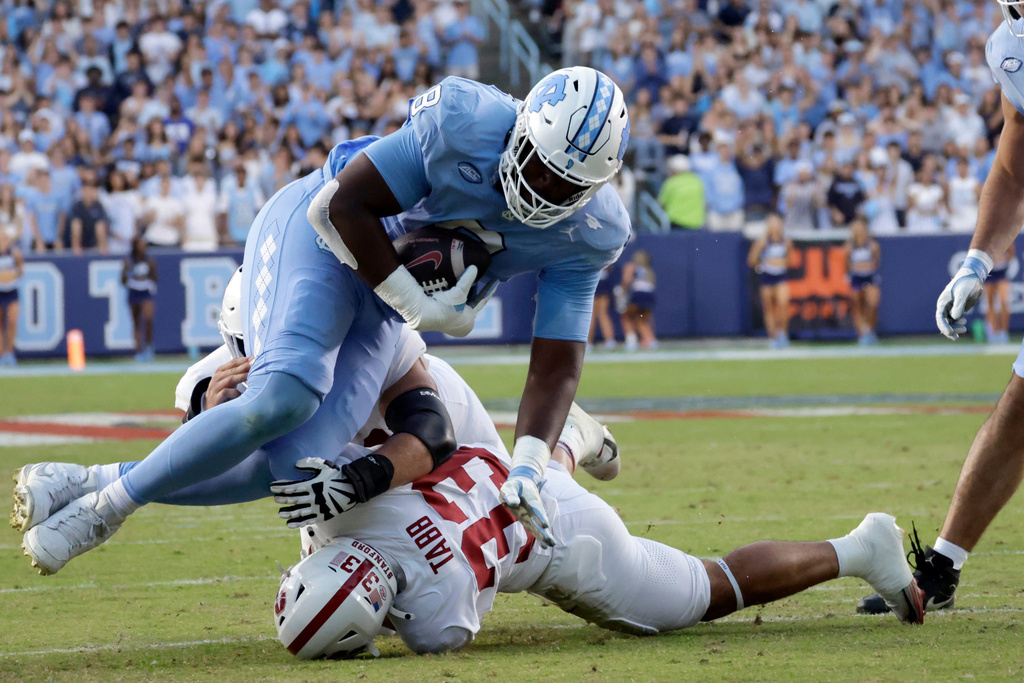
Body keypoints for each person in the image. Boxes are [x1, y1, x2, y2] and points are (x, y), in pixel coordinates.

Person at [19, 67, 631, 575]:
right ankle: (104, 509)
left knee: (299, 472)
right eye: (538, 163)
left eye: (567, 185)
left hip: (380, 307)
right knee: (283, 395)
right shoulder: (465, 121)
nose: (542, 188)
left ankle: (93, 480)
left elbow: (557, 358)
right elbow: (336, 205)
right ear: (521, 126)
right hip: (324, 241)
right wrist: (419, 306)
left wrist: (527, 461)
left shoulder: (591, 233)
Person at [275, 442, 923, 658]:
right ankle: (572, 437)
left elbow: (425, 604)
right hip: (513, 468)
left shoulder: (434, 626)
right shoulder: (355, 508)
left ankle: (860, 547)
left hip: (566, 546)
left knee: (711, 587)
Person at [860, 5, 1024, 616]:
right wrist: (977, 261)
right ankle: (942, 567)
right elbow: (1013, 167)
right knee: (1017, 412)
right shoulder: (1011, 45)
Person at [748, 214, 793, 349]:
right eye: (771, 223)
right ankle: (773, 337)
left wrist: (780, 263)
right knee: (769, 309)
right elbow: (752, 260)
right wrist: (761, 266)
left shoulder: (786, 241)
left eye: (777, 223)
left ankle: (782, 334)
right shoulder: (762, 242)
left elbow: (790, 261)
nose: (774, 226)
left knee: (783, 304)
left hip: (780, 277)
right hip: (767, 278)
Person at [844, 217, 881, 345]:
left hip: (869, 277)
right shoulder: (849, 246)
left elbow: (876, 262)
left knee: (872, 304)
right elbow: (846, 263)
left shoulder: (873, 246)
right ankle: (862, 334)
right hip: (856, 278)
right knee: (858, 306)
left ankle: (870, 329)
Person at [121, 238, 157, 362]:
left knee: (148, 319)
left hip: (145, 291)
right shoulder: (129, 261)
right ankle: (138, 350)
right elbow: (123, 280)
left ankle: (148, 346)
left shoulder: (149, 261)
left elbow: (154, 277)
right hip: (134, 291)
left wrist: (147, 284)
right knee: (136, 322)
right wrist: (128, 273)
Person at [618, 250, 657, 351]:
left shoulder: (631, 266)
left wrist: (622, 292)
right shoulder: (649, 270)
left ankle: (631, 341)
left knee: (625, 317)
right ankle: (650, 339)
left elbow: (626, 281)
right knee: (642, 319)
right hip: (649, 294)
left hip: (638, 294)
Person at [0, 222, 23, 366]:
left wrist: (12, 275)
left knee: (12, 321)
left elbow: (20, 271)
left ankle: (9, 352)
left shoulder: (14, 253)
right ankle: (2, 354)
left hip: (11, 292)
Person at [67, 181, 110, 255]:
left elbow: (102, 224)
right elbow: (75, 224)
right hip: (81, 239)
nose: (88, 194)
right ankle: (76, 248)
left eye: (90, 191)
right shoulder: (77, 206)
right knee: (76, 225)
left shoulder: (98, 206)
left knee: (100, 226)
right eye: (85, 191)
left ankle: (102, 249)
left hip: (93, 240)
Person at [984, 245, 1014, 344]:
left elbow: (1011, 253)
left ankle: (1004, 332)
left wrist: (1003, 261)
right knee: (990, 303)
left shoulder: (1005, 237)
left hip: (1001, 274)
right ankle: (993, 332)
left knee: (1004, 301)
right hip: (989, 274)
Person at [588, 264, 617, 350]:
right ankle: (610, 340)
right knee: (602, 314)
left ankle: (589, 342)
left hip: (594, 279)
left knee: (592, 314)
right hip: (602, 280)